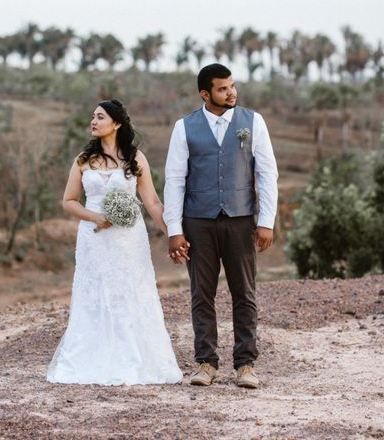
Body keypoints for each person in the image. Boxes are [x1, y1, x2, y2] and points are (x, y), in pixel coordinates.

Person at [47, 99, 183, 385]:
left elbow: (153, 203)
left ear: (117, 123)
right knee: (94, 292)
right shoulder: (84, 160)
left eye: (100, 117)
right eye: (92, 117)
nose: (93, 122)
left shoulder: (136, 159)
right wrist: (95, 217)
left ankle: (134, 360)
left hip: (128, 239)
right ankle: (91, 359)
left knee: (129, 292)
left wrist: (173, 233)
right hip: (93, 239)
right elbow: (68, 201)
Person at [163, 64, 278, 389]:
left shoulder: (253, 122)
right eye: (223, 89)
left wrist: (266, 221)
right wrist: (175, 229)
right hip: (198, 221)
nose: (232, 93)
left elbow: (267, 173)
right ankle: (206, 362)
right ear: (205, 94)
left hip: (241, 220)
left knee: (244, 292)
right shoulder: (184, 127)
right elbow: (174, 179)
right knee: (202, 293)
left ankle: (245, 364)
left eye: (232, 86)